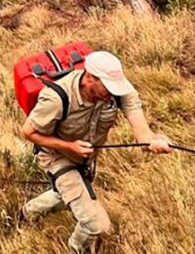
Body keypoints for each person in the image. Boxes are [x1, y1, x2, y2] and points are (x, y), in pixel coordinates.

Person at [20, 50, 171, 252]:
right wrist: (69, 146)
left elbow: (143, 135)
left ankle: (28, 212)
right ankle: (75, 248)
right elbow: (28, 132)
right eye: (108, 87)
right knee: (99, 227)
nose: (113, 93)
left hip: (85, 160)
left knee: (66, 194)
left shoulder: (119, 91)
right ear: (90, 77)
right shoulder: (56, 98)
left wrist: (153, 142)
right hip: (56, 157)